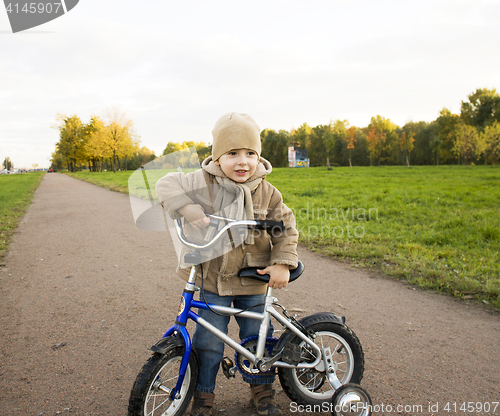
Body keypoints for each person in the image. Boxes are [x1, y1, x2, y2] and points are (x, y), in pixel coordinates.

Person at [156, 112, 298, 416]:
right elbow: (165, 184)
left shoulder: (267, 192)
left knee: (258, 338)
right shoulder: (200, 182)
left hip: (253, 278)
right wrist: (188, 206)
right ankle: (203, 397)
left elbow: (286, 227)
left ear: (258, 156)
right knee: (208, 344)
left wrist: (283, 263)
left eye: (250, 153)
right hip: (212, 282)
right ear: (217, 156)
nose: (242, 161)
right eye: (232, 153)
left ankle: (262, 391)